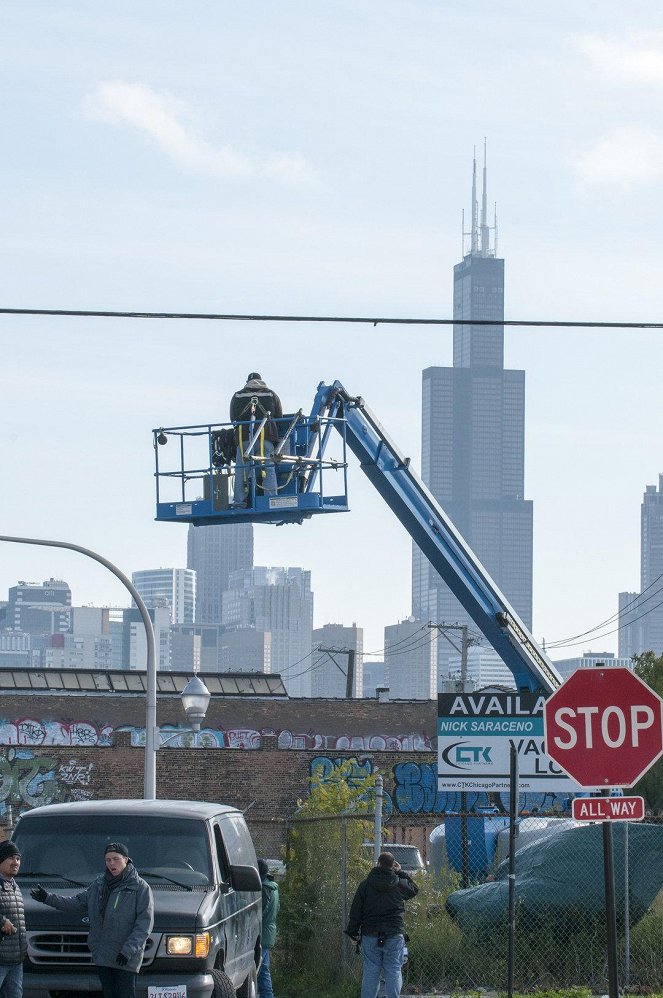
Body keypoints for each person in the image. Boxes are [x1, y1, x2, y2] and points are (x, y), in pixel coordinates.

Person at [31, 842, 153, 998]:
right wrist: (47, 898)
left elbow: (144, 926)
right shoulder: (98, 885)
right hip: (103, 956)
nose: (111, 863)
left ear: (126, 859)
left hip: (125, 959)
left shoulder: (140, 888)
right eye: (108, 860)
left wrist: (127, 951)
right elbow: (75, 903)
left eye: (116, 859)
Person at [345, 851, 418, 998]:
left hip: (370, 933)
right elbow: (414, 889)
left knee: (371, 970)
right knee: (393, 969)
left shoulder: (365, 885)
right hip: (394, 933)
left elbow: (356, 911)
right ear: (393, 866)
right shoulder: (399, 884)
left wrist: (353, 932)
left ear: (378, 864)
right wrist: (401, 872)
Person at [230, 373, 283, 506]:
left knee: (241, 470)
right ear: (261, 381)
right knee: (268, 468)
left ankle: (239, 502)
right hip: (265, 438)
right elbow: (279, 417)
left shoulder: (237, 396)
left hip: (244, 439)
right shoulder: (271, 394)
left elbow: (233, 418)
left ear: (247, 382)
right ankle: (271, 499)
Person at [0, 841, 26, 998]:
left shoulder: (15, 886)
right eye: (11, 858)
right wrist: (2, 922)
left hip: (16, 960)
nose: (16, 862)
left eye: (18, 858)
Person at [257, 858, 279, 998]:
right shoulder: (273, 887)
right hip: (269, 931)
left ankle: (267, 995)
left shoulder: (265, 888)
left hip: (263, 932)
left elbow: (260, 911)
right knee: (264, 968)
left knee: (262, 969)